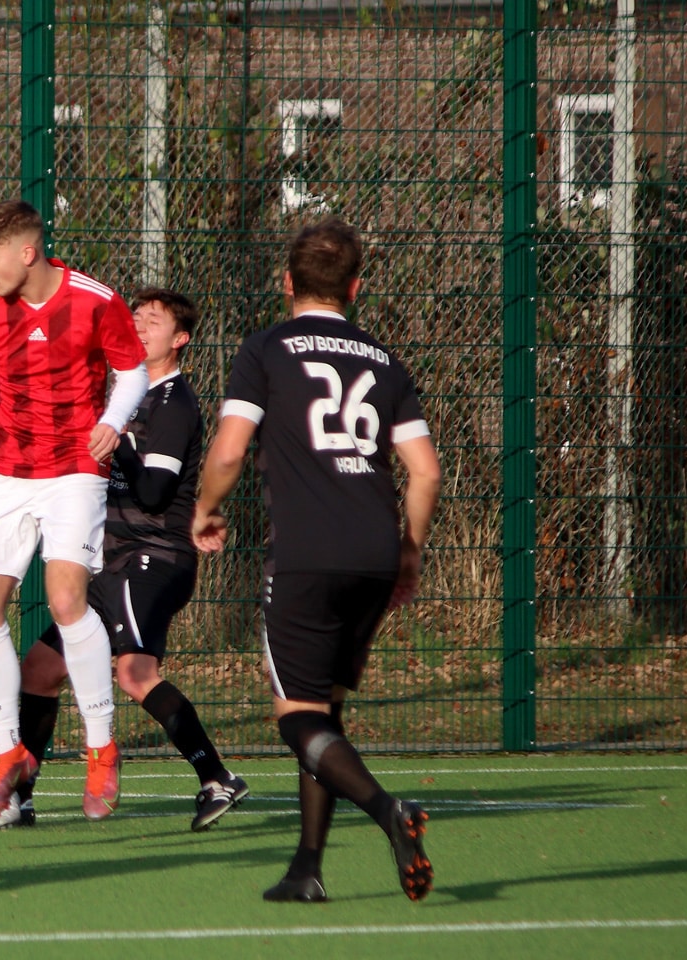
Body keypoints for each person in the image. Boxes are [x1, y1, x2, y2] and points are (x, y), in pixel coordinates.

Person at [192, 218, 442, 903]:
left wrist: (204, 509)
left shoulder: (267, 348)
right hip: (373, 553)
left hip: (304, 556)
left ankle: (389, 811)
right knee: (325, 713)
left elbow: (229, 451)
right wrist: (409, 551)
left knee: (296, 718)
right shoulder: (385, 361)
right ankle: (308, 867)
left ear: (287, 284)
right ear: (355, 288)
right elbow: (424, 471)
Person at [0, 200, 149, 827]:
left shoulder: (95, 300)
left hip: (73, 469)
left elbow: (131, 372)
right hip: (8, 472)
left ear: (26, 251)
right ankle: (9, 751)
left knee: (67, 600)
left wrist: (112, 422)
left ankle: (101, 747)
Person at [4, 289, 249, 831]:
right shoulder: (121, 392)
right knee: (40, 671)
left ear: (179, 340)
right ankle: (19, 797)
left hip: (152, 556)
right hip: (108, 559)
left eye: (153, 321)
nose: (138, 327)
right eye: (133, 317)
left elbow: (156, 491)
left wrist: (112, 440)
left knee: (134, 672)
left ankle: (217, 778)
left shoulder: (172, 403)